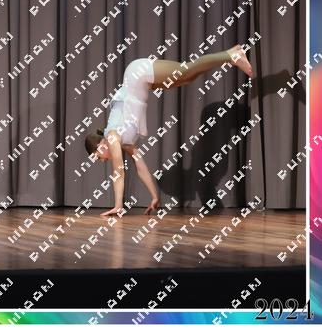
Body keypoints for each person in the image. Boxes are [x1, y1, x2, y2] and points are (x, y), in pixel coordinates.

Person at [84, 44, 253, 217]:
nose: (102, 161)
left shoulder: (112, 136)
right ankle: (230, 56)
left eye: (98, 157)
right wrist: (154, 196)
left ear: (100, 146)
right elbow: (141, 168)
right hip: (142, 82)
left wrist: (118, 205)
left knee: (185, 71)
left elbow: (118, 171)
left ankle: (232, 54)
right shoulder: (124, 143)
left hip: (137, 73)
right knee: (187, 78)